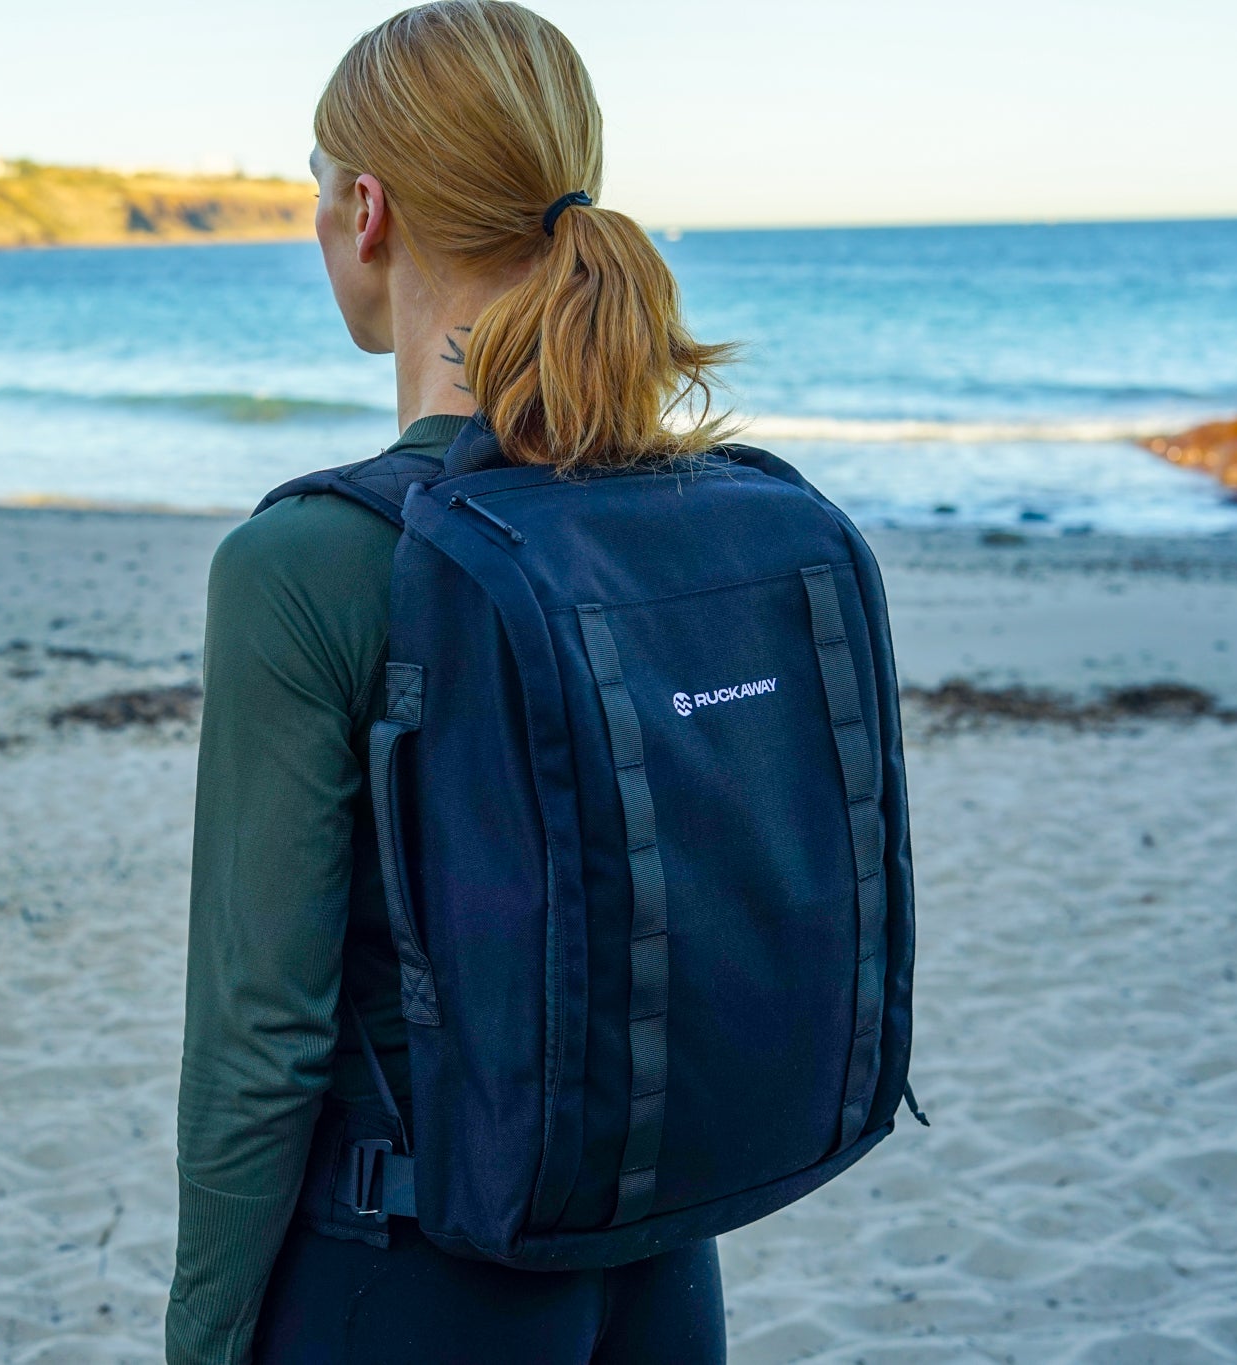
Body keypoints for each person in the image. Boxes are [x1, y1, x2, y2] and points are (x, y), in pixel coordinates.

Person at [169, 4, 738, 1361]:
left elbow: (263, 1041)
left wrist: (202, 1337)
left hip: (411, 1268)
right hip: (660, 1260)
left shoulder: (306, 562)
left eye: (317, 187)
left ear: (366, 210)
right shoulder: (683, 519)